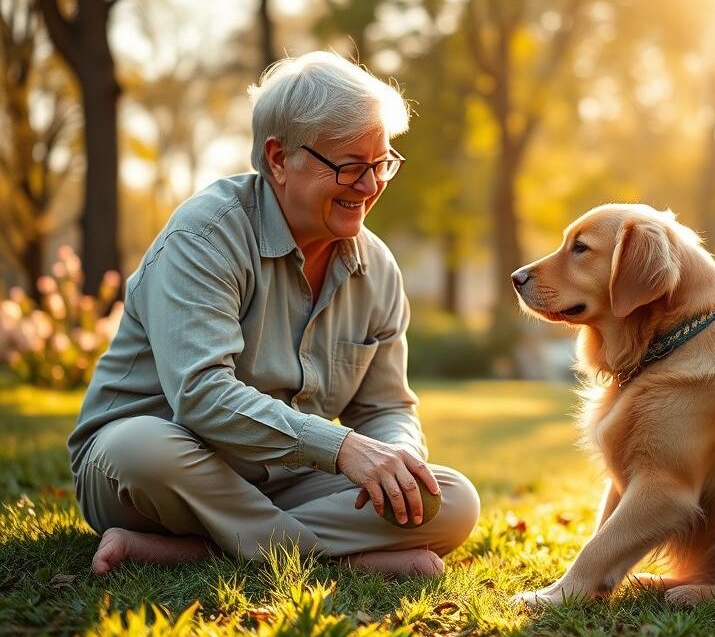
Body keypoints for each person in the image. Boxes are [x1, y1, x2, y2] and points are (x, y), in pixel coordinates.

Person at [67, 51, 481, 577]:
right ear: (279, 159)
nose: (371, 185)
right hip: (160, 467)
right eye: (351, 167)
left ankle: (205, 550)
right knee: (139, 448)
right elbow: (201, 395)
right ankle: (337, 560)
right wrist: (344, 449)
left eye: (382, 164)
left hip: (284, 476)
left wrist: (396, 463)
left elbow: (384, 407)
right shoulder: (206, 235)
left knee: (449, 500)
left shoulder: (376, 268)